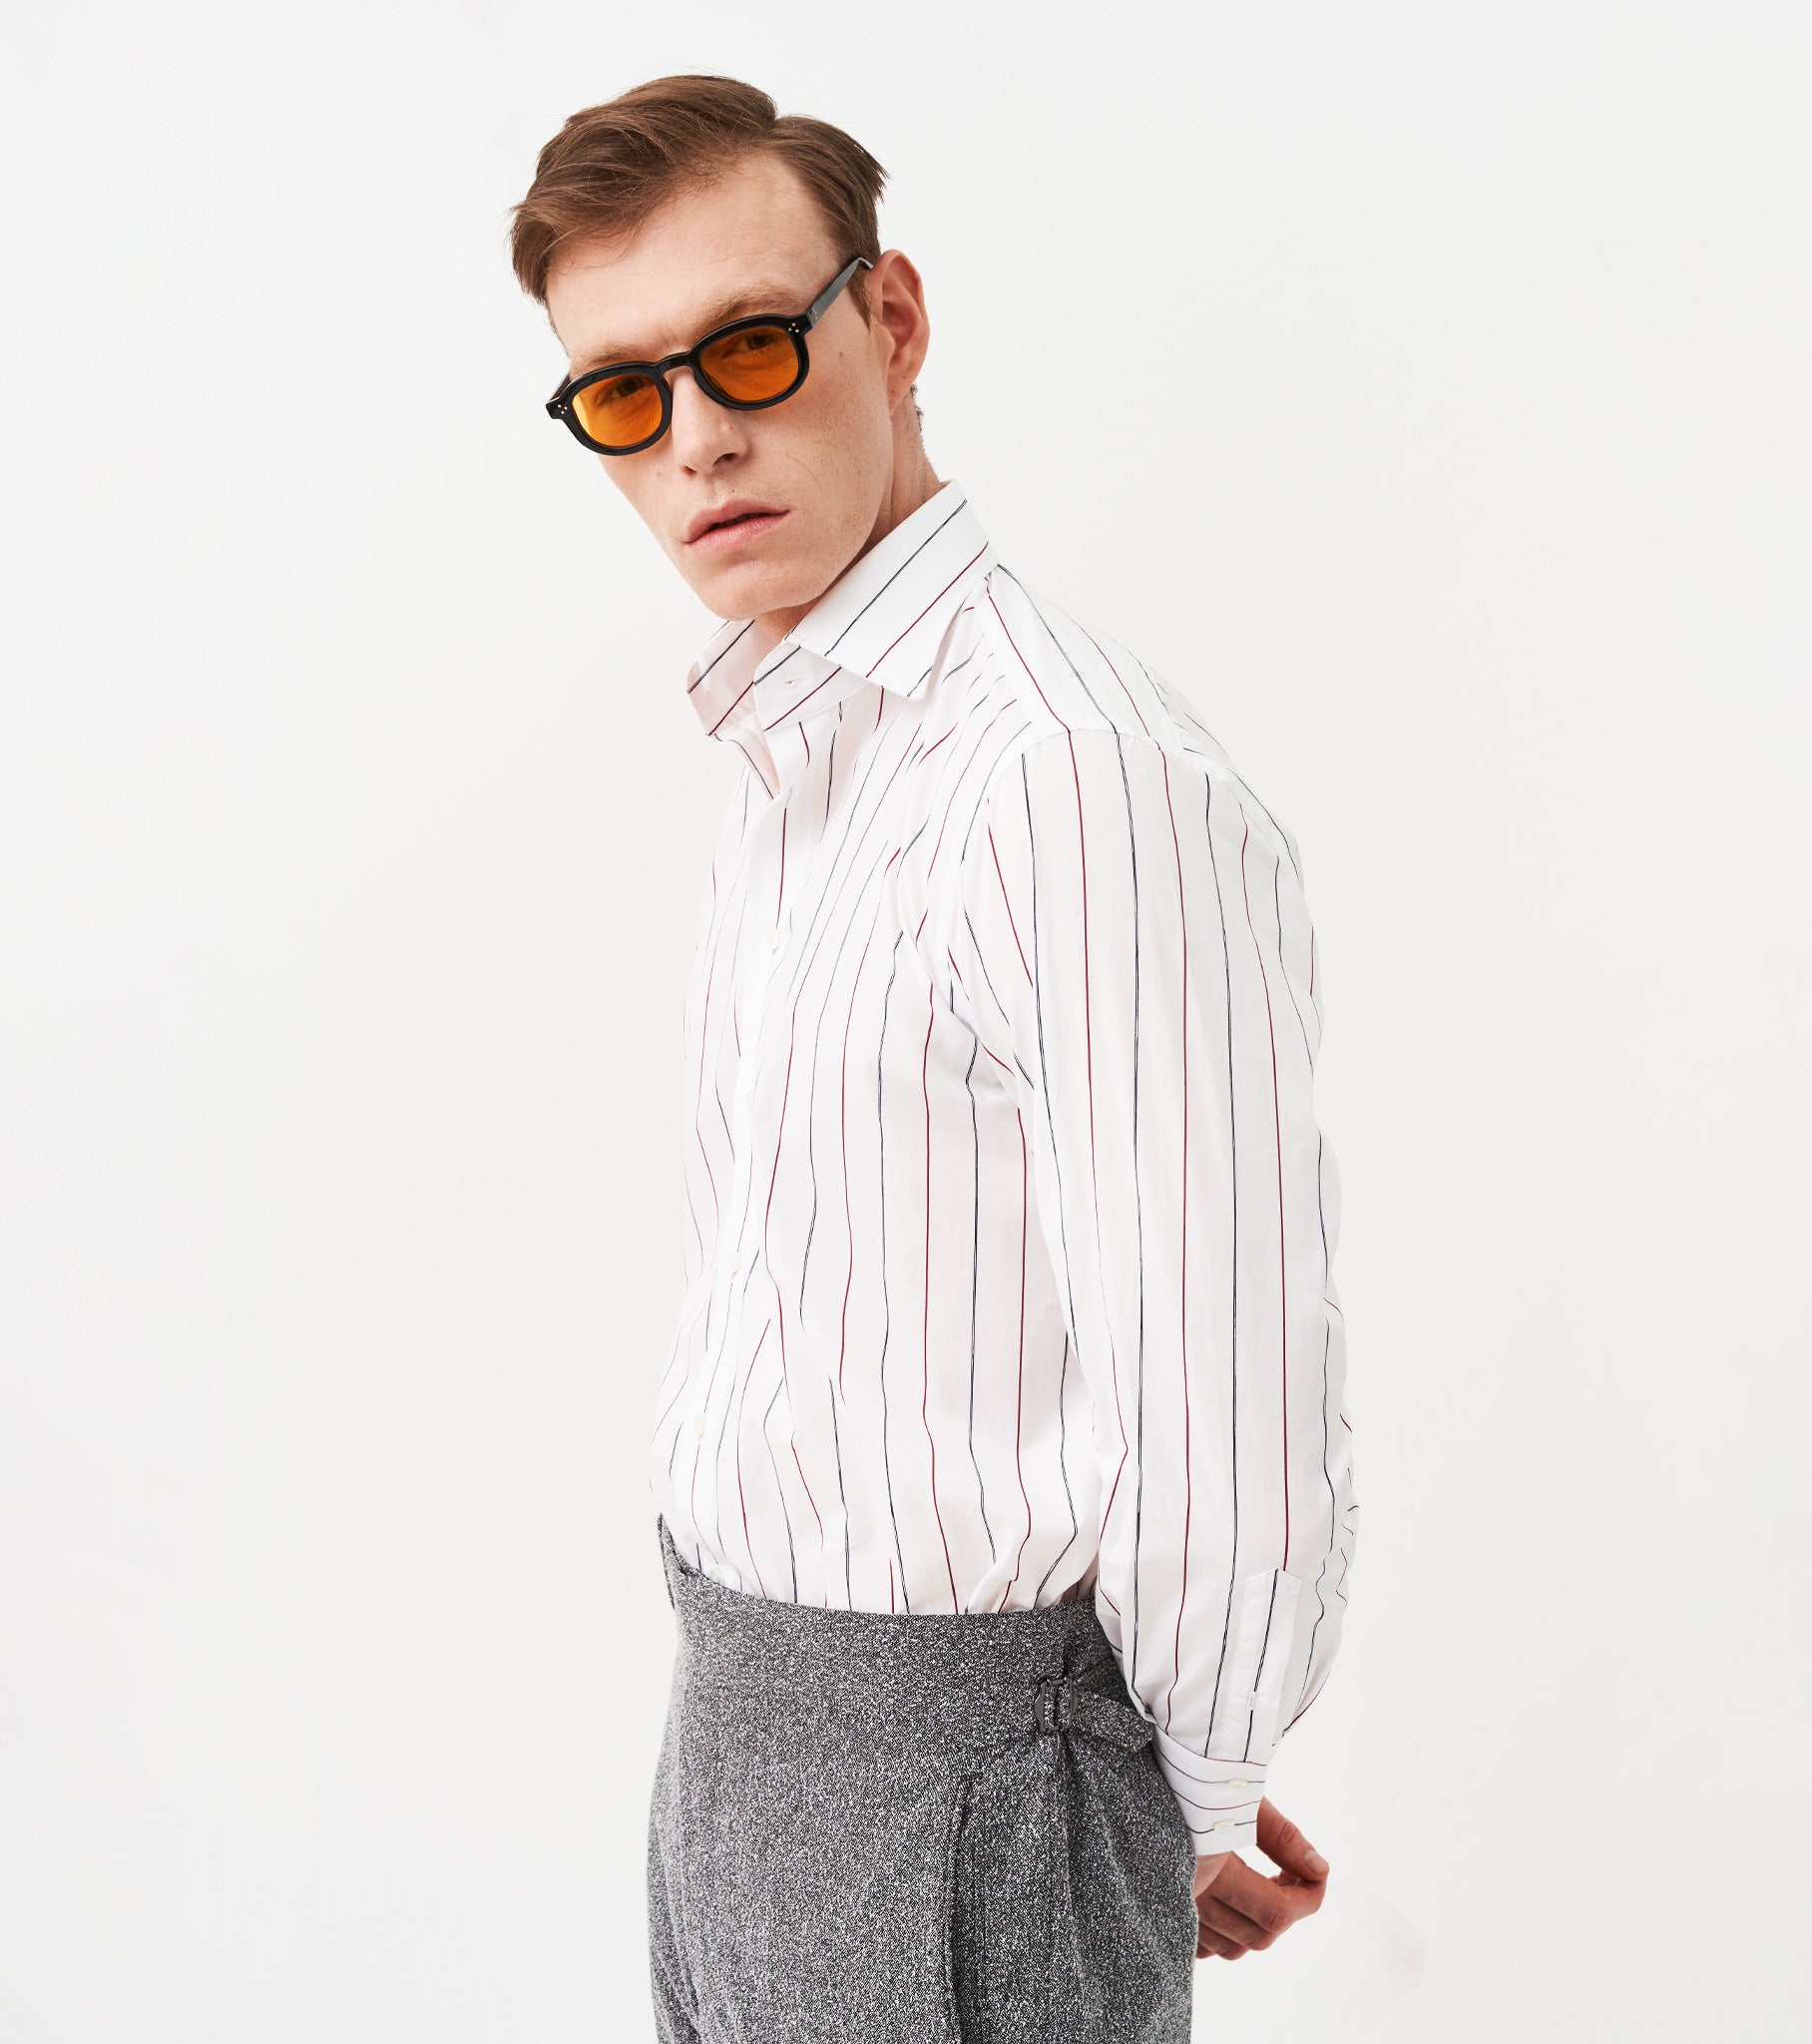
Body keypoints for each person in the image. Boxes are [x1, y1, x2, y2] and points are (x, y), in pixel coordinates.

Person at [509, 72, 1358, 2043]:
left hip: (960, 1784)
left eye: (750, 344)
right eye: (623, 393)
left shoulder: (1068, 777)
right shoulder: (803, 763)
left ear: (889, 321)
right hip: (738, 1737)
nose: (698, 435)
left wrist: (1164, 1810)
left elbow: (1228, 1395)